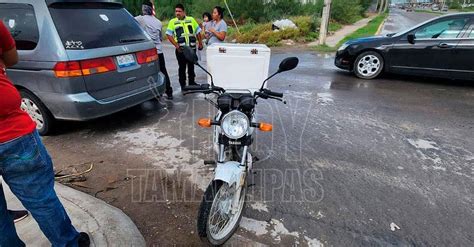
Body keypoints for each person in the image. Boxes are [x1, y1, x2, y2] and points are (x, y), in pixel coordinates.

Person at [0, 21, 89, 247]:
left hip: (12, 135)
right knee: (41, 198)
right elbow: (12, 58)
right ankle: (69, 243)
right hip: (12, 135)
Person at [135, 0, 173, 100]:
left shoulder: (140, 19)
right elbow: (160, 38)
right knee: (163, 71)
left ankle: (154, 94)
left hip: (148, 53)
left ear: (144, 9)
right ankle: (169, 92)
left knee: (149, 74)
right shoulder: (158, 22)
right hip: (159, 51)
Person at [166, 4, 203, 92]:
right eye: (176, 11)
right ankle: (183, 85)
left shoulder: (191, 20)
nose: (177, 13)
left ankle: (192, 83)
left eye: (179, 11)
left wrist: (200, 43)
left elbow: (198, 32)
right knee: (182, 68)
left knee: (191, 66)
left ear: (184, 12)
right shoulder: (172, 22)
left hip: (191, 48)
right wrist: (176, 45)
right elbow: (168, 34)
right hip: (181, 49)